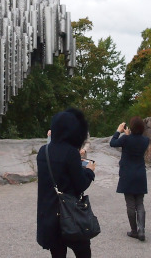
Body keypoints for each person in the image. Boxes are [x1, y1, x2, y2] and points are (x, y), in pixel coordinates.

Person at [36, 108, 95, 258]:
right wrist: (89, 171)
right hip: (70, 214)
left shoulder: (43, 151)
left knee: (57, 254)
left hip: (49, 213)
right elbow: (80, 184)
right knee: (83, 252)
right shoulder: (71, 152)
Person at [110, 117, 150, 242]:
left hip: (127, 173)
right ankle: (142, 229)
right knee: (140, 202)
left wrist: (118, 131)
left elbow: (113, 143)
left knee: (130, 203)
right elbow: (135, 141)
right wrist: (128, 135)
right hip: (140, 172)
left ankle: (134, 230)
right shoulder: (145, 140)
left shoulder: (126, 139)